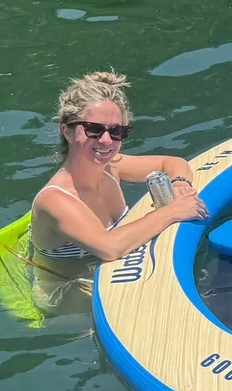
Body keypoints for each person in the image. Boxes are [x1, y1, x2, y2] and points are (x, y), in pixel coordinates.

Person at [29, 72, 209, 303]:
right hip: (67, 292)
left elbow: (173, 163)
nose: (106, 140)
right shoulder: (55, 200)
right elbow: (109, 247)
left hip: (114, 274)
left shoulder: (112, 167)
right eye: (94, 129)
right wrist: (172, 211)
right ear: (68, 131)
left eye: (116, 131)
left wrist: (180, 185)